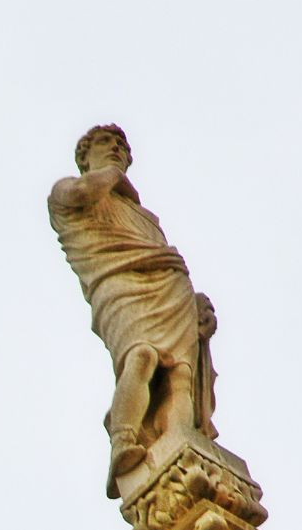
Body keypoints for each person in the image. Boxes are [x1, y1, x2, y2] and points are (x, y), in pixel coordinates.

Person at [48, 124, 216, 498]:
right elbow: (84, 192)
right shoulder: (66, 193)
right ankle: (123, 441)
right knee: (140, 355)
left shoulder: (143, 215)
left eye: (123, 147)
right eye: (108, 143)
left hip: (169, 290)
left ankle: (182, 443)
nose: (117, 150)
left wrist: (196, 306)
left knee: (179, 375)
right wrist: (112, 175)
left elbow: (163, 255)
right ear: (85, 154)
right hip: (119, 285)